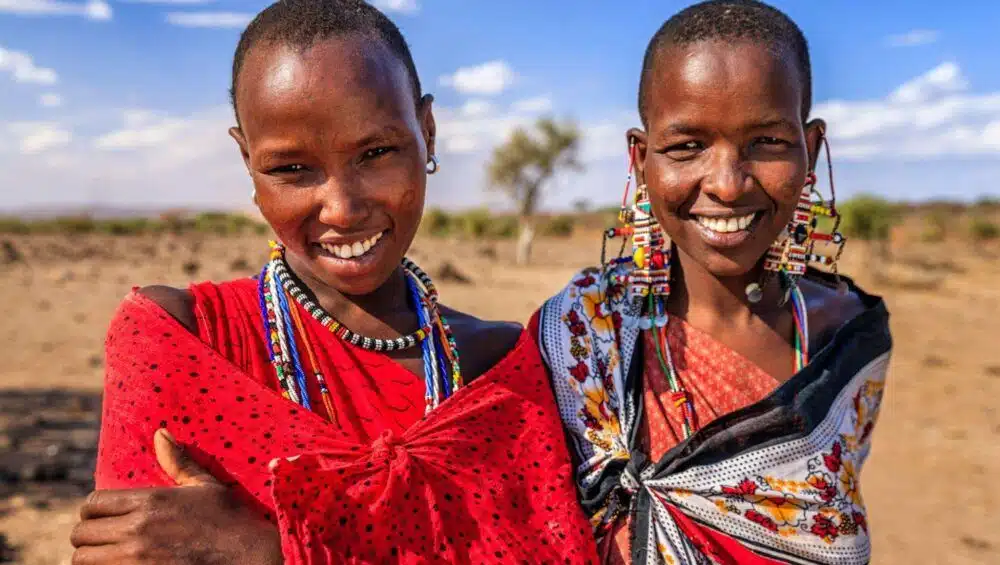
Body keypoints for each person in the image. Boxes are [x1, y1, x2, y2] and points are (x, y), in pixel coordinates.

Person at [68, 1, 598, 563]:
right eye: (291, 169)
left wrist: (269, 552)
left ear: (428, 133)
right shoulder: (182, 341)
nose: (342, 209)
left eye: (376, 153)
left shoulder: (501, 366)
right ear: (247, 160)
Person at [531, 1, 890, 563]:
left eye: (767, 142)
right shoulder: (580, 335)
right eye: (687, 146)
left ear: (811, 149)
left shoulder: (847, 338)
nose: (727, 184)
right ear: (641, 158)